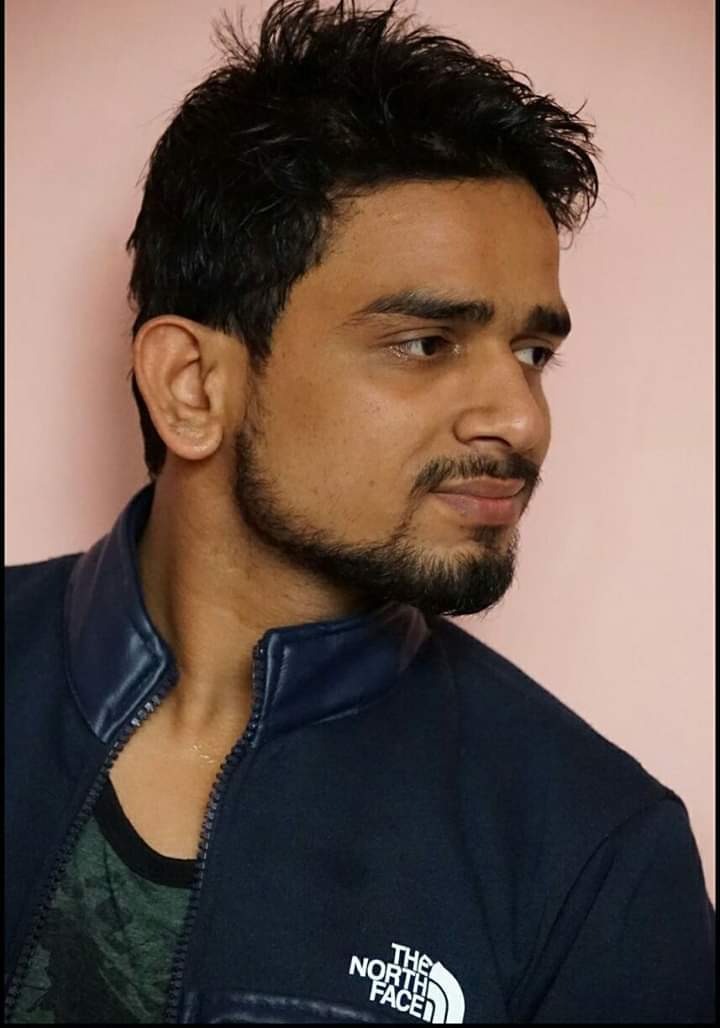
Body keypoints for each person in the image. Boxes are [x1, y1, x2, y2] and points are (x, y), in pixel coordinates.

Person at [5, 0, 714, 1023]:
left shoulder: (599, 852)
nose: (522, 417)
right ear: (193, 386)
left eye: (533, 352)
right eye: (426, 343)